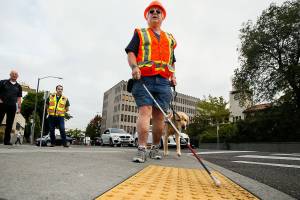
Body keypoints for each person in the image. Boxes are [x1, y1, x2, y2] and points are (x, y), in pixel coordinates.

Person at [125, 1, 177, 163]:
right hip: (144, 79)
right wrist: (134, 67)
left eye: (158, 11)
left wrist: (173, 76)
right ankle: (142, 149)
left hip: (163, 82)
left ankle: (155, 148)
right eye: (152, 11)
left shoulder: (169, 39)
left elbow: (172, 60)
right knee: (145, 111)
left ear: (163, 17)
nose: (155, 13)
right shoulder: (140, 33)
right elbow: (131, 52)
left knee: (159, 117)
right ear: (147, 16)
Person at [0, 70, 22, 145]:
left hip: (12, 106)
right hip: (2, 105)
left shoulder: (18, 86)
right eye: (13, 74)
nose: (14, 75)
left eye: (16, 74)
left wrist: (19, 108)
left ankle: (6, 141)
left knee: (9, 124)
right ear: (10, 74)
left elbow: (19, 98)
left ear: (17, 76)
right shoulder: (3, 82)